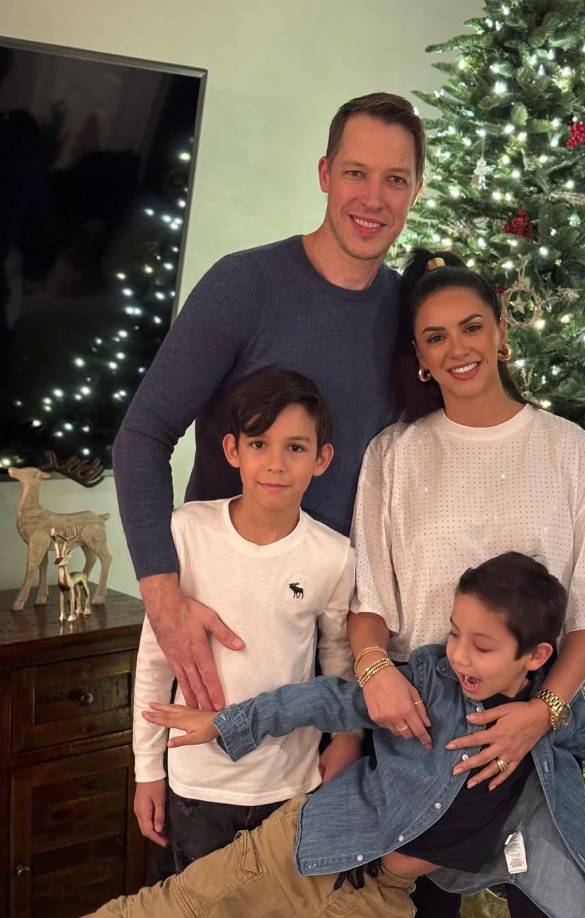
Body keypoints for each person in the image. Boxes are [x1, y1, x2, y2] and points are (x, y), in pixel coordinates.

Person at [88, 552, 585, 918]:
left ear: (534, 657)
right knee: (166, 910)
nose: (457, 653)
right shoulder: (427, 685)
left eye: (481, 645)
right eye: (454, 633)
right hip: (307, 847)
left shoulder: (548, 727)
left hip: (382, 896)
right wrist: (224, 724)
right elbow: (327, 699)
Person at [346, 247, 585, 915]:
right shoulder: (394, 454)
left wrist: (540, 716)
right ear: (420, 357)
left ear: (500, 333)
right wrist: (374, 672)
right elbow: (367, 602)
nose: (457, 347)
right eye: (435, 336)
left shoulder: (564, 447)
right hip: (421, 737)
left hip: (529, 729)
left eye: (472, 326)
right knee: (415, 904)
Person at [112, 92, 424, 717]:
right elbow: (142, 437)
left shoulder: (411, 315)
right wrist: (164, 600)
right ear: (324, 174)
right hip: (222, 628)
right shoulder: (243, 286)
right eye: (356, 173)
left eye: (395, 180)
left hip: (337, 641)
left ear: (415, 190)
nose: (373, 198)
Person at [132, 369, 357, 872]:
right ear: (233, 450)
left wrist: (347, 737)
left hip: (290, 783)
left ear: (322, 459)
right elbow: (155, 662)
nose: (276, 464)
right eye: (260, 443)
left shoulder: (334, 556)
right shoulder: (187, 530)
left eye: (296, 448)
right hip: (196, 783)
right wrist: (147, 770)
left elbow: (338, 662)